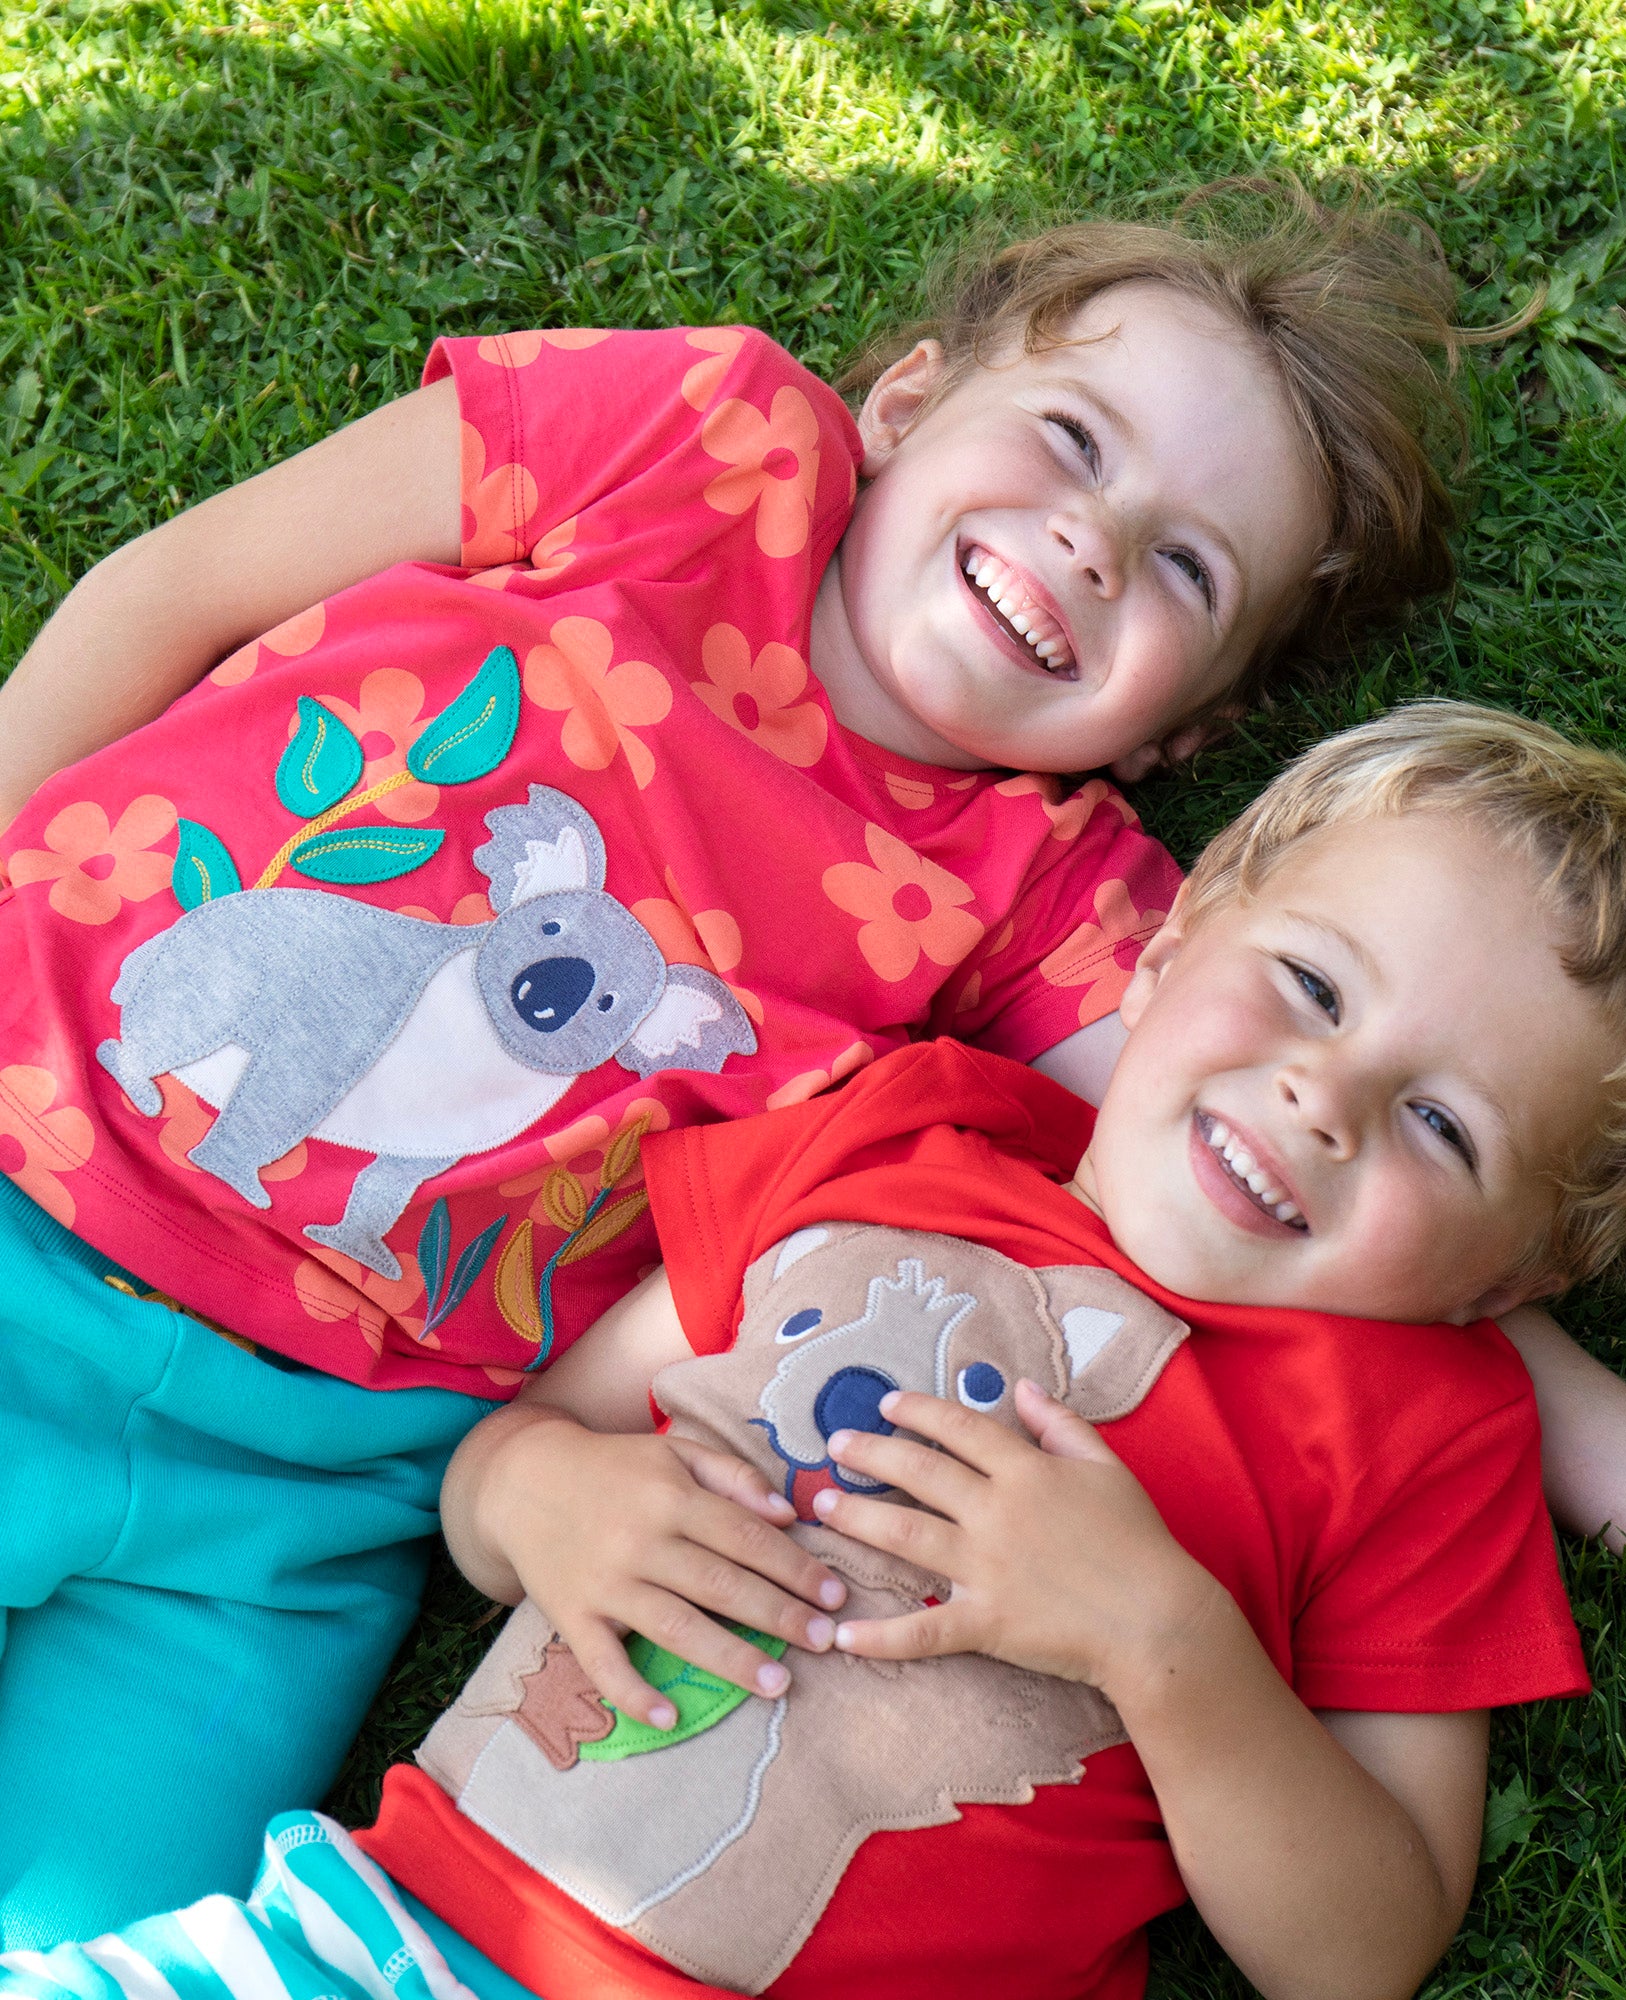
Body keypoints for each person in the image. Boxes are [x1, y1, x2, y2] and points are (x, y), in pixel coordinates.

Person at [0, 183, 1484, 1940]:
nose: (1092, 540)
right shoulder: (703, 435)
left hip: (302, 1510)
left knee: (74, 1947)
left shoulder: (1045, 894)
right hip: (33, 1187)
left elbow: (1372, 1140)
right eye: (1074, 439)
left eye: (1181, 568)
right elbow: (176, 584)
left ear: (1178, 734)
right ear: (910, 400)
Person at [9, 700, 1626, 2000]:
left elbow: (1360, 1950)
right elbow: (511, 1448)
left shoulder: (1428, 1431)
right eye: (1308, 984)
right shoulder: (891, 1142)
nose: (1327, 1094)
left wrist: (1166, 1641)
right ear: (1168, 945)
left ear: (1505, 1276)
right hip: (387, 1934)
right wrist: (553, 1506)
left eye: (1440, 1125)